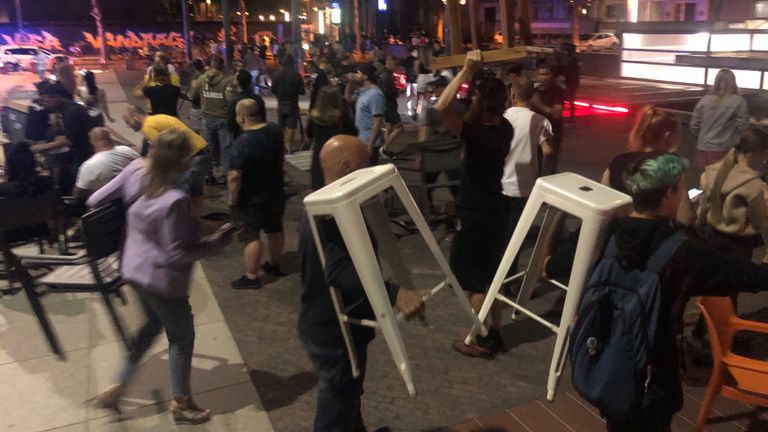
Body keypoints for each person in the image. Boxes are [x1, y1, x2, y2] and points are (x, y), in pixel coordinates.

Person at [546, 152, 768, 431]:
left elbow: (558, 265)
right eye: (680, 189)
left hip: (606, 354)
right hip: (653, 371)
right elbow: (748, 277)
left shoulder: (609, 231)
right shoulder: (683, 251)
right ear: (668, 194)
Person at [92, 129, 234, 425]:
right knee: (182, 337)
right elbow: (176, 253)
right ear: (183, 161)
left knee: (151, 326)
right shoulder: (174, 199)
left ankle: (118, 387)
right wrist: (218, 242)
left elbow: (96, 200)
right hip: (160, 280)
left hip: (132, 268)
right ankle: (182, 403)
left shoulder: (136, 174)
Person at [299, 134, 425, 431]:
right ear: (345, 165)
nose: (371, 166)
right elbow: (339, 272)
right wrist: (395, 293)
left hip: (335, 324)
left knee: (348, 390)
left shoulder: (329, 204)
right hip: (333, 331)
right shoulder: (329, 215)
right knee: (338, 397)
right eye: (366, 160)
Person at [437, 50, 513, 358]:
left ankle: (481, 338)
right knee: (492, 275)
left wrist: (466, 71)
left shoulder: (476, 133)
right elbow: (493, 97)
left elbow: (442, 106)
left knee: (475, 279)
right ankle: (495, 331)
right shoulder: (504, 128)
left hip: (474, 209)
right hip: (496, 206)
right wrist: (499, 73)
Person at [228, 99, 286, 289]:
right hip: (275, 191)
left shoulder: (243, 142)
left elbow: (235, 176)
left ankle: (251, 276)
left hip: (251, 197)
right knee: (275, 228)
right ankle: (275, 264)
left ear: (242, 117)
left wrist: (232, 199)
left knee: (251, 235)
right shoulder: (275, 130)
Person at [123, 105, 211, 216]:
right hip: (203, 153)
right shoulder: (158, 117)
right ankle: (195, 220)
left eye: (128, 122)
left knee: (179, 193)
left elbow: (163, 151)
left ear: (135, 117)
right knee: (195, 192)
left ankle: (181, 223)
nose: (128, 126)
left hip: (191, 158)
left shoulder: (147, 127)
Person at [501, 77, 553, 232]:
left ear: (512, 95)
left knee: (502, 229)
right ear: (532, 96)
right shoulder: (540, 120)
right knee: (517, 230)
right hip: (526, 185)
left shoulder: (503, 117)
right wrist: (542, 176)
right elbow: (548, 152)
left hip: (501, 182)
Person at [32, 82, 102, 194]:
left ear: (57, 97)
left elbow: (70, 140)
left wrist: (42, 147)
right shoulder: (69, 108)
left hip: (84, 155)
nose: (45, 105)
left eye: (47, 101)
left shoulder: (71, 112)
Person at [691, 69, 749, 169]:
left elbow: (694, 125)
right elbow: (742, 126)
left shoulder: (705, 100)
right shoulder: (739, 102)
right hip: (723, 149)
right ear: (733, 83)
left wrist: (702, 137)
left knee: (704, 180)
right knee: (722, 181)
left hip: (703, 148)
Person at [0, 142, 54, 244]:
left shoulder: (4, 190)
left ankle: (9, 255)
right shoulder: (46, 182)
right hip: (40, 230)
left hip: (10, 235)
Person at [307, 86, 357, 190]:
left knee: (319, 186)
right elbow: (353, 133)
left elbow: (309, 134)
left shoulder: (314, 116)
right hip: (338, 154)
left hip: (319, 153)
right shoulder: (342, 116)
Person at [189, 55, 230, 182]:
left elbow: (193, 95)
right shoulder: (226, 81)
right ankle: (226, 174)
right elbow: (229, 99)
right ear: (222, 66)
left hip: (206, 118)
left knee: (208, 148)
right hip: (222, 118)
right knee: (225, 148)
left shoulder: (201, 79)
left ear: (210, 66)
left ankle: (208, 174)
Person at [74, 127, 139, 199]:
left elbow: (78, 194)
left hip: (110, 205)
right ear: (110, 138)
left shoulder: (88, 166)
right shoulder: (127, 150)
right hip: (136, 192)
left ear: (92, 142)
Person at [346, 63, 385, 162]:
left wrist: (370, 144)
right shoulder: (362, 91)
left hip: (369, 140)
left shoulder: (375, 95)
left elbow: (378, 121)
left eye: (358, 73)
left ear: (366, 76)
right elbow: (348, 98)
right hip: (361, 137)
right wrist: (349, 83)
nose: (356, 75)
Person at [530, 62, 565, 174]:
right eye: (541, 74)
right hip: (535, 132)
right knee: (535, 165)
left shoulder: (558, 90)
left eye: (546, 74)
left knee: (549, 165)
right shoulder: (533, 90)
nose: (544, 77)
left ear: (552, 75)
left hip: (551, 132)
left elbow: (556, 113)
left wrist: (539, 104)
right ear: (536, 75)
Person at [271, 54, 306, 154]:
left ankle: (281, 146)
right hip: (292, 104)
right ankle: (289, 147)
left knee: (281, 126)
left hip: (281, 103)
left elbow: (273, 90)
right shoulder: (296, 75)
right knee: (291, 126)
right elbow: (302, 91)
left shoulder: (277, 74)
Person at [226, 69, 266, 140]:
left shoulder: (235, 100)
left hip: (240, 136)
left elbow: (231, 123)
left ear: (238, 82)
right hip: (257, 134)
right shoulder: (258, 99)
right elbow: (263, 118)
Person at [378, 56, 403, 159]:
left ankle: (386, 150)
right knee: (399, 127)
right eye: (395, 64)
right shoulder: (386, 76)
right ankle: (384, 148)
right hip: (389, 105)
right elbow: (385, 93)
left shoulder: (385, 75)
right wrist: (396, 92)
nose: (396, 67)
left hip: (387, 105)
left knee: (389, 126)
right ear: (390, 63)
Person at [187, 59, 206, 133]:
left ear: (193, 67)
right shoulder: (206, 75)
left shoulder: (195, 78)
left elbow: (193, 94)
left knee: (197, 130)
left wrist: (190, 97)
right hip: (206, 105)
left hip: (197, 106)